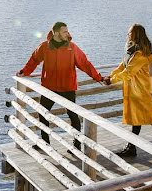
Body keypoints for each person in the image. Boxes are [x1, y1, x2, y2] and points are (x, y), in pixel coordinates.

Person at [17, 21, 104, 149]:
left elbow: (85, 64)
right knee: (42, 113)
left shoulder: (72, 47)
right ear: (56, 32)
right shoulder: (44, 47)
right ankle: (45, 143)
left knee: (73, 115)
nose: (67, 33)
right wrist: (24, 72)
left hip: (67, 87)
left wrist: (98, 78)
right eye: (64, 31)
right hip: (49, 88)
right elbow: (34, 60)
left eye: (67, 31)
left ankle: (77, 144)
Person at [104, 24, 152, 157]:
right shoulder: (132, 51)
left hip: (140, 91)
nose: (128, 34)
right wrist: (110, 75)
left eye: (130, 32)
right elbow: (122, 66)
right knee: (137, 120)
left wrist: (112, 80)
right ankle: (131, 147)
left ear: (135, 35)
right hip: (134, 90)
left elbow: (128, 72)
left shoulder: (140, 54)